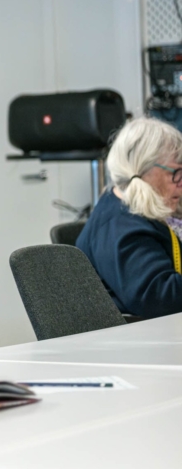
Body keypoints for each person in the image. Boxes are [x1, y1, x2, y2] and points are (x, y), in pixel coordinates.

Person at [77, 116, 182, 318]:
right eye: (176, 172)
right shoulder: (120, 226)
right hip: (140, 341)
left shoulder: (134, 209)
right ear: (143, 170)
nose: (181, 183)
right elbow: (161, 299)